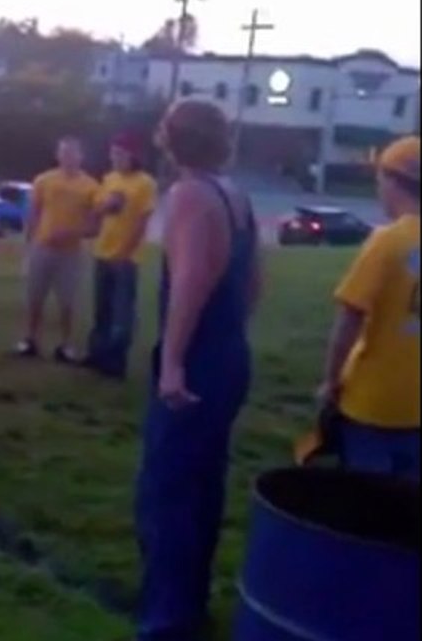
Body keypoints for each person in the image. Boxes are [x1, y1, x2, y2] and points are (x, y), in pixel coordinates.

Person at [135, 100, 262, 641]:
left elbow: (189, 282)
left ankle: (167, 620)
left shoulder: (188, 195)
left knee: (165, 490)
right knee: (204, 485)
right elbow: (255, 282)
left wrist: (173, 363)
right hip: (230, 354)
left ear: (172, 139)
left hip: (197, 360)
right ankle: (191, 601)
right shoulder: (235, 195)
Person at [313, 136, 420, 480]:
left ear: (392, 181)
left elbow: (350, 319)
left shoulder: (386, 241)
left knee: (366, 501)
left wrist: (330, 383)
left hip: (372, 402)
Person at [16, 136, 101, 362]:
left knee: (67, 301)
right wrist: (30, 244)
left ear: (81, 157)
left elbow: (95, 226)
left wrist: (72, 233)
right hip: (42, 248)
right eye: (64, 153)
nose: (68, 158)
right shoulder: (43, 180)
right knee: (35, 296)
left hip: (70, 253)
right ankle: (30, 340)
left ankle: (66, 345)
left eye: (73, 153)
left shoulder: (91, 186)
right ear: (58, 155)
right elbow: (34, 214)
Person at [83, 131, 159, 378]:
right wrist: (102, 209)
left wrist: (126, 251)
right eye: (113, 153)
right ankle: (97, 354)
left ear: (133, 156)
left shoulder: (144, 183)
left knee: (121, 311)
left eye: (120, 154)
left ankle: (116, 361)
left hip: (126, 257)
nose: (115, 158)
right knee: (102, 308)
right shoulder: (109, 179)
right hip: (103, 251)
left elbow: (142, 220)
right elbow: (96, 213)